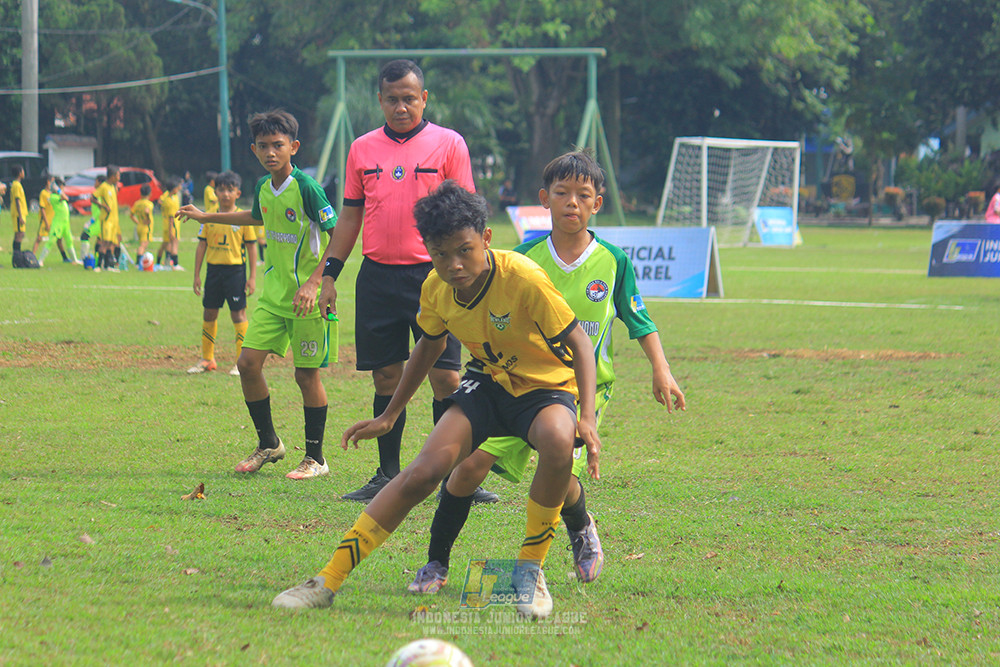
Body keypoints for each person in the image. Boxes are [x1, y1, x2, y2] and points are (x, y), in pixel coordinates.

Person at [272, 180, 600, 620]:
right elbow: (427, 346)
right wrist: (389, 415)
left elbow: (580, 344)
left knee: (558, 443)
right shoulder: (436, 287)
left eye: (464, 250)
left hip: (545, 386)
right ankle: (326, 580)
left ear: (485, 239)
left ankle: (529, 573)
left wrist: (588, 418)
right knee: (423, 472)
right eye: (441, 254)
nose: (454, 265)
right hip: (487, 382)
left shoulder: (522, 277)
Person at [408, 151, 687, 595]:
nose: (572, 202)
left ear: (597, 203)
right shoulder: (522, 257)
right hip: (514, 382)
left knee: (560, 474)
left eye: (583, 195)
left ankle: (579, 530)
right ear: (545, 199)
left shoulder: (613, 261)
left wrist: (662, 368)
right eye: (562, 193)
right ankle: (435, 563)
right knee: (468, 467)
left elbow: (639, 319)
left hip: (581, 387)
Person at [318, 58, 496, 504]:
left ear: (424, 98)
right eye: (392, 99)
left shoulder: (449, 144)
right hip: (377, 276)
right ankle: (387, 473)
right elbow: (351, 216)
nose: (401, 107)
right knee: (385, 376)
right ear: (380, 100)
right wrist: (329, 274)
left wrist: (474, 271)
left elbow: (468, 213)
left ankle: (455, 475)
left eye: (409, 99)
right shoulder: (361, 148)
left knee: (446, 379)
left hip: (434, 278)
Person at [177, 109, 339, 481]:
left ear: (293, 147)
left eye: (278, 146)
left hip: (308, 300)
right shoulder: (265, 188)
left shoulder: (308, 188)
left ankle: (315, 458)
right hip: (273, 297)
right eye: (263, 146)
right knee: (248, 365)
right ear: (254, 149)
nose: (270, 152)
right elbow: (256, 217)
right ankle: (269, 443)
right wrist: (207, 217)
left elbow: (338, 235)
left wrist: (316, 282)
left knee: (305, 376)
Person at [188, 170, 257, 376]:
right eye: (221, 190)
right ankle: (207, 359)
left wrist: (252, 277)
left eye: (230, 190)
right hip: (214, 271)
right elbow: (201, 246)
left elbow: (252, 247)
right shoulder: (208, 216)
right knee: (209, 312)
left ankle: (240, 362)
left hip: (235, 271)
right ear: (215, 192)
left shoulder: (244, 217)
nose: (225, 194)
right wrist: (196, 274)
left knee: (238, 314)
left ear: (238, 193)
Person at [38, 177, 82, 266]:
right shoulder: (53, 196)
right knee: (51, 241)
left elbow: (67, 198)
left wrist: (58, 190)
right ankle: (40, 260)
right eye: (61, 186)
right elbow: (65, 197)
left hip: (65, 223)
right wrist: (57, 189)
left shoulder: (59, 195)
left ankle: (74, 259)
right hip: (58, 223)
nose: (63, 188)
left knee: (69, 240)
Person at [92, 165, 122, 272]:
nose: (119, 177)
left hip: (114, 220)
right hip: (106, 219)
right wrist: (103, 206)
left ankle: (108, 265)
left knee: (111, 243)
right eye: (118, 175)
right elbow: (93, 198)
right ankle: (98, 265)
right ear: (112, 176)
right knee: (105, 242)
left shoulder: (113, 187)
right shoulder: (104, 187)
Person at [156, 178, 183, 270]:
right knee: (174, 243)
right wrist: (171, 230)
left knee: (165, 244)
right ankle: (175, 264)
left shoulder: (172, 197)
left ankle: (159, 262)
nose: (178, 189)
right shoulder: (170, 201)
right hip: (171, 225)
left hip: (168, 225)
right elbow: (171, 217)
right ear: (173, 189)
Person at [80, 175, 105, 261]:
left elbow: (99, 210)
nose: (95, 183)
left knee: (84, 236)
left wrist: (91, 221)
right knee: (99, 241)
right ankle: (97, 260)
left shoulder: (98, 194)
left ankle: (84, 258)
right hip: (100, 221)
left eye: (96, 181)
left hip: (97, 221)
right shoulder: (101, 193)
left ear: (100, 183)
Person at [31, 172, 55, 257]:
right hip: (45, 220)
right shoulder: (43, 193)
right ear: (48, 182)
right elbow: (42, 208)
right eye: (52, 182)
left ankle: (65, 257)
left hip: (54, 220)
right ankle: (32, 256)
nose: (54, 184)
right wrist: (46, 222)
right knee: (39, 238)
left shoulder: (53, 193)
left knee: (59, 239)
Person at [9, 165, 27, 260]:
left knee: (21, 234)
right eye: (23, 171)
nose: (24, 173)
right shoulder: (16, 185)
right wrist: (20, 216)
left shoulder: (18, 184)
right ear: (20, 173)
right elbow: (17, 200)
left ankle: (17, 255)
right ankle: (17, 256)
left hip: (21, 213)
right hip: (17, 214)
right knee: (19, 234)